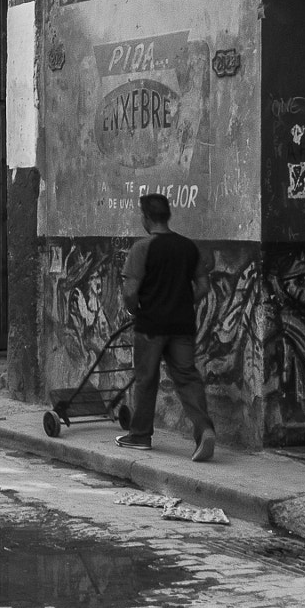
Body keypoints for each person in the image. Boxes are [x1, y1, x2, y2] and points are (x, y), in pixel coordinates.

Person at [115, 193, 216, 461]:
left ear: (146, 218)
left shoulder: (141, 248)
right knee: (187, 377)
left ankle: (140, 435)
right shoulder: (188, 247)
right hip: (182, 325)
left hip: (151, 325)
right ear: (167, 215)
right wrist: (183, 302)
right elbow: (204, 286)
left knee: (146, 379)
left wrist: (133, 309)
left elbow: (130, 290)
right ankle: (204, 430)